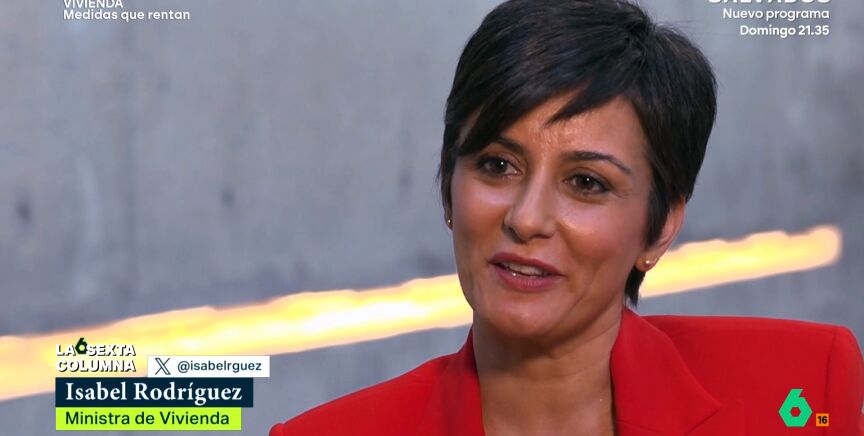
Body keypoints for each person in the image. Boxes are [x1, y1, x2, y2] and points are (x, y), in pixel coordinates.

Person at [270, 0, 864, 434]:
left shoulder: (804, 389)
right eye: (497, 166)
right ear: (449, 187)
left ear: (659, 226)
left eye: (586, 183)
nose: (527, 218)